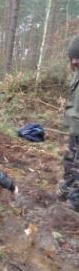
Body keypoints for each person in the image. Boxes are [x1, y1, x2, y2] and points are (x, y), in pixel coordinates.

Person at [59, 35, 79, 211]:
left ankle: (75, 201)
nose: (74, 61)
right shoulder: (76, 75)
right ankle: (66, 190)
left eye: (77, 57)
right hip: (75, 129)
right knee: (69, 161)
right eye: (72, 58)